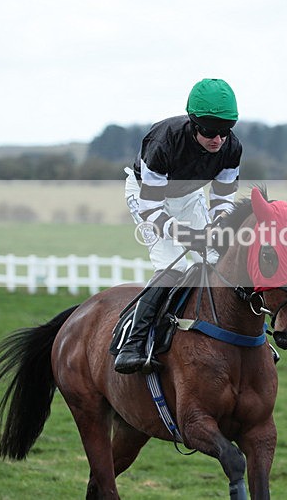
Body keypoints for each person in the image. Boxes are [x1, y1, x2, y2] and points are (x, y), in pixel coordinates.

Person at [114, 78, 242, 374]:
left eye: (224, 132)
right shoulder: (163, 141)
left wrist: (219, 226)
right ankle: (134, 342)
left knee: (215, 261)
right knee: (174, 268)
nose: (218, 140)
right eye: (210, 131)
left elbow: (223, 200)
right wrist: (191, 236)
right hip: (147, 197)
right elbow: (152, 210)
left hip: (188, 196)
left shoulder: (232, 148)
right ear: (193, 123)